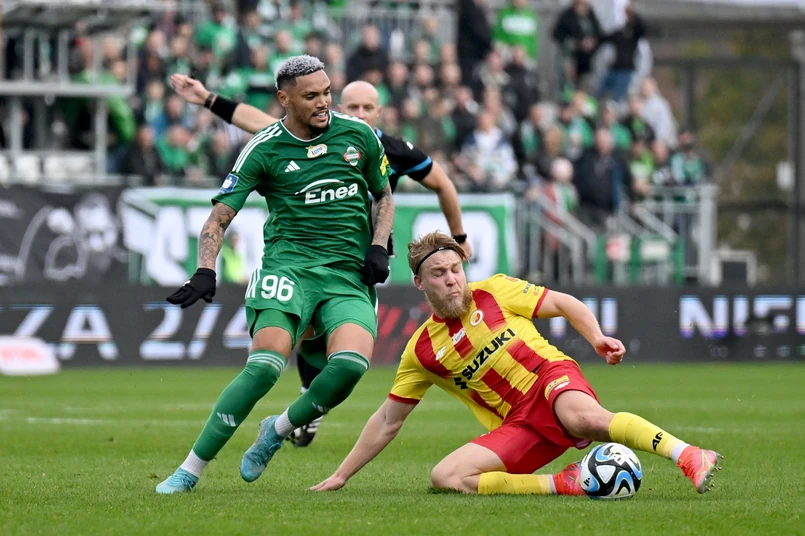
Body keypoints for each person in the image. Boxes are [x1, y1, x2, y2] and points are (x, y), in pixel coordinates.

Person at [170, 72, 473, 446]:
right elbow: (257, 121)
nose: (359, 113)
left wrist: (459, 236)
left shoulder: (390, 148)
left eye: (368, 107)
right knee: (308, 328)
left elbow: (442, 183)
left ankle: (307, 404)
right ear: (340, 106)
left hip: (365, 256)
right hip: (310, 254)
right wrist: (208, 99)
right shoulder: (315, 133)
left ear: (379, 112)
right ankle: (306, 399)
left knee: (341, 341)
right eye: (353, 106)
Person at [310, 232, 722, 496]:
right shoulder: (421, 351)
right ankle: (564, 483)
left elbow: (563, 303)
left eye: (455, 269)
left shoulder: (495, 291)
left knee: (581, 419)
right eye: (438, 274)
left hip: (550, 379)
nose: (452, 279)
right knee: (447, 478)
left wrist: (596, 337)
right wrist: (342, 475)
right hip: (520, 424)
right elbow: (388, 419)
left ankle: (689, 454)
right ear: (420, 283)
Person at [155, 55, 395, 494]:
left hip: (347, 273)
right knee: (265, 367)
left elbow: (384, 195)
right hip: (290, 269)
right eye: (312, 96)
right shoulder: (264, 148)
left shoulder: (358, 135)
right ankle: (189, 470)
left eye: (327, 93)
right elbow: (219, 217)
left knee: (350, 365)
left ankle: (277, 430)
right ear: (284, 99)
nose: (324, 103)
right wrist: (205, 270)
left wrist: (379, 244)